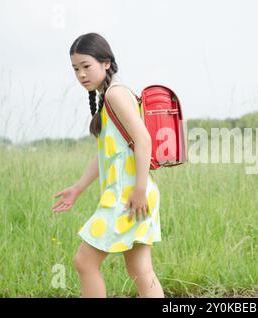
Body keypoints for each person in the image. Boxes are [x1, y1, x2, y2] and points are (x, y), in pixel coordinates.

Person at [51, 32, 164, 298]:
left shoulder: (115, 94)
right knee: (140, 269)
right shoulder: (109, 97)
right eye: (75, 69)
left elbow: (143, 139)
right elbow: (106, 155)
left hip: (128, 195)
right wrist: (78, 188)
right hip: (134, 193)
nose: (81, 75)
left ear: (105, 63)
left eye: (86, 66)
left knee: (85, 261)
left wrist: (138, 190)